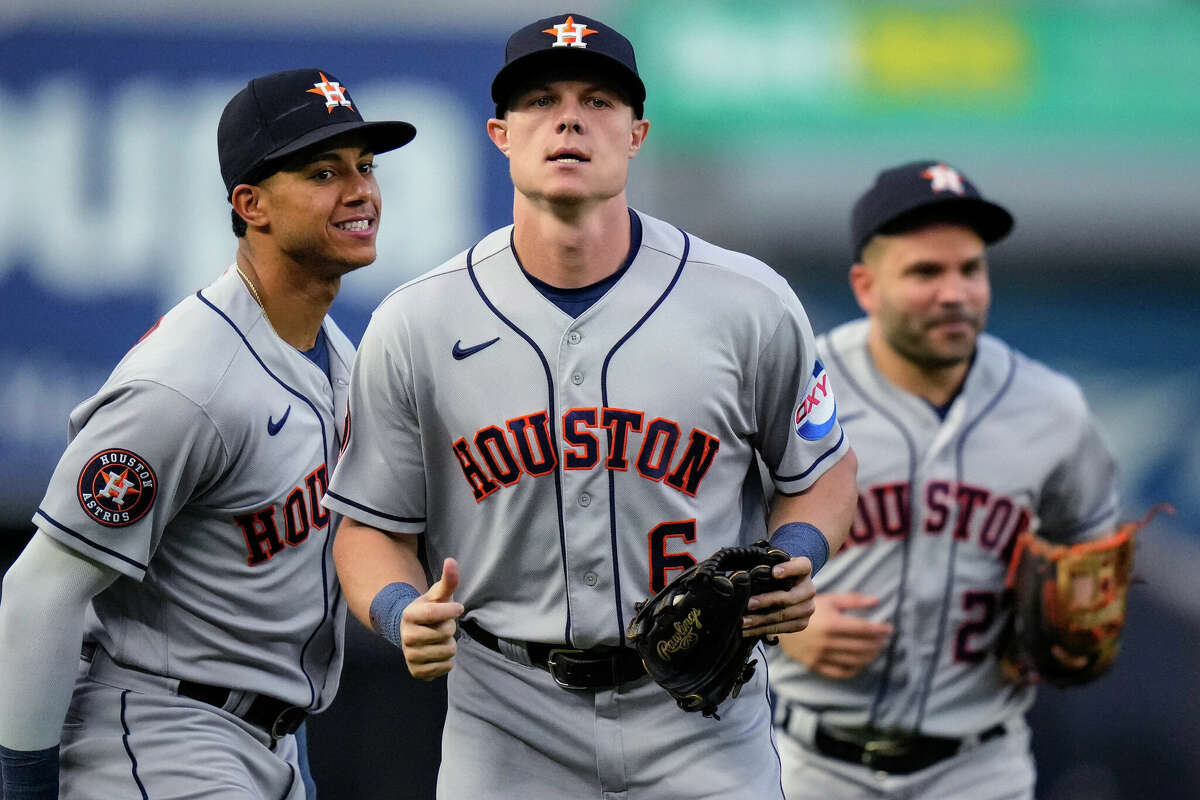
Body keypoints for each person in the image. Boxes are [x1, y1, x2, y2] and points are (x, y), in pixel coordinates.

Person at [321, 12, 858, 800]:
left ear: (637, 134)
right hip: (505, 712)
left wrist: (797, 554)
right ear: (500, 135)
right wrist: (400, 609)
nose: (569, 117)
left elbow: (822, 470)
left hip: (701, 712)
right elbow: (369, 526)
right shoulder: (418, 322)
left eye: (598, 101)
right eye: (541, 100)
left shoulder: (748, 302)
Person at [0, 68, 415, 799]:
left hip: (264, 742)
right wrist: (26, 788)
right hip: (161, 732)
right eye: (323, 172)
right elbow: (38, 590)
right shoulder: (185, 383)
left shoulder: (340, 359)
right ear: (250, 204)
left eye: (365, 167)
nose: (360, 191)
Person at [767, 160, 1120, 799]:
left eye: (970, 269)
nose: (955, 292)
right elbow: (701, 547)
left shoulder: (1051, 409)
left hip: (980, 769)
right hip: (810, 763)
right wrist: (784, 625)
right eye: (926, 272)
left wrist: (1075, 624)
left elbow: (1091, 552)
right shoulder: (796, 390)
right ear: (867, 286)